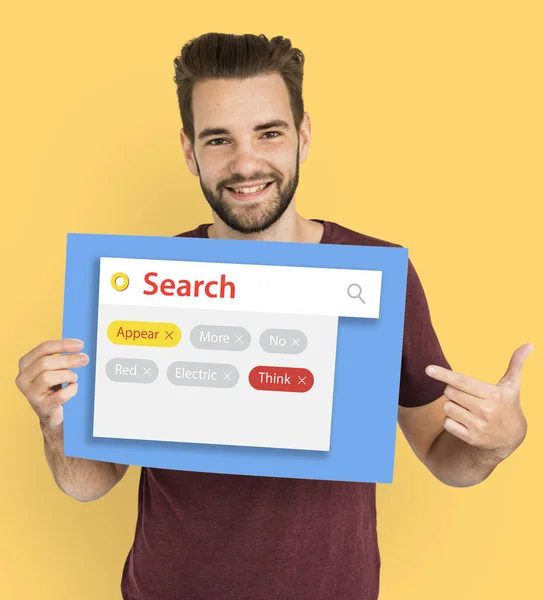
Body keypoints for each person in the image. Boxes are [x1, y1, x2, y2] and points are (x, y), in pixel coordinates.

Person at [15, 33, 532, 600]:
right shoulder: (138, 281)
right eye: (219, 140)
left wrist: (497, 440)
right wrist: (54, 423)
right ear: (189, 152)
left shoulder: (378, 274)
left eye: (269, 132)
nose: (246, 163)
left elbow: (444, 457)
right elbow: (90, 483)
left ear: (302, 136)